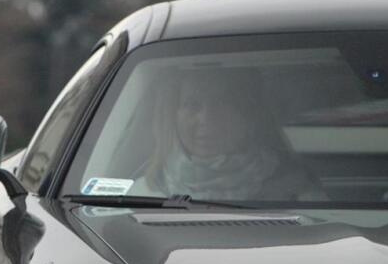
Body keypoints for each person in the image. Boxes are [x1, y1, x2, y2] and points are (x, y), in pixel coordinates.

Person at [137, 66, 319, 202]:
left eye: (221, 104)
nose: (206, 119)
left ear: (247, 116)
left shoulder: (297, 193)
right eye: (192, 105)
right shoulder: (144, 193)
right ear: (174, 117)